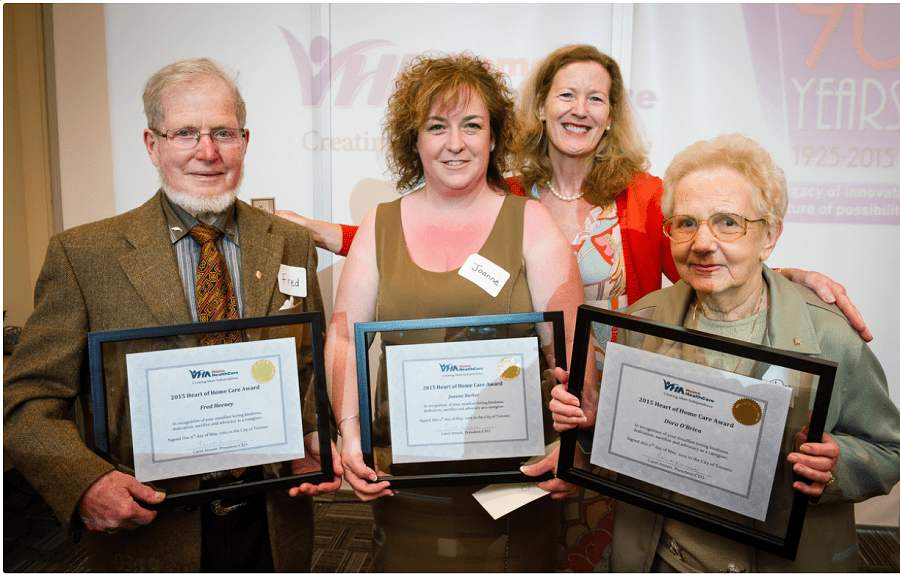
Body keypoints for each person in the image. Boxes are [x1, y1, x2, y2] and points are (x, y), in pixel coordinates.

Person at [281, 43, 872, 571]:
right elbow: (421, 251)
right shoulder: (512, 187)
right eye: (566, 93)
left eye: (596, 97)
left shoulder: (645, 196)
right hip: (511, 426)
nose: (579, 108)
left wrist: (786, 275)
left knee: (627, 546)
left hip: (625, 410)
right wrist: (317, 231)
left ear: (611, 113)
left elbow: (707, 254)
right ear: (539, 106)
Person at [3, 58, 341, 572]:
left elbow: (306, 367)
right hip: (151, 529)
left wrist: (317, 431)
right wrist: (84, 482)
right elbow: (25, 401)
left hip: (273, 516)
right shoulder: (84, 255)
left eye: (223, 133)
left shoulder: (289, 243)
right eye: (185, 133)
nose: (207, 153)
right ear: (151, 144)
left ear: (244, 141)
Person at [551, 133, 900, 572]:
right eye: (686, 222)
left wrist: (837, 463)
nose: (702, 242)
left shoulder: (827, 334)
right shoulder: (641, 323)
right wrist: (590, 424)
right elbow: (622, 448)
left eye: (728, 222)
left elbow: (890, 450)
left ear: (769, 235)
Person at [326, 53, 587, 571]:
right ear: (414, 139)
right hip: (406, 487)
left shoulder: (530, 223)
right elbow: (342, 337)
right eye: (437, 127)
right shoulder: (379, 225)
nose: (455, 143)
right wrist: (350, 433)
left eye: (472, 125)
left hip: (514, 486)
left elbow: (573, 349)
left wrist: (572, 444)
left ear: (493, 137)